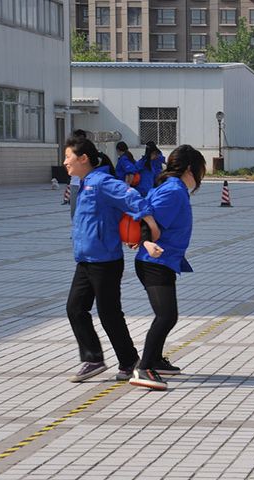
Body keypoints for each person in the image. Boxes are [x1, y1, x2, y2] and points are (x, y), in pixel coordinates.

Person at [63, 135, 161, 383]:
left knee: (109, 313)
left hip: (105, 261)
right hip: (86, 259)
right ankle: (93, 357)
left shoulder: (101, 182)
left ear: (83, 158)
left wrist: (148, 220)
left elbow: (131, 197)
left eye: (68, 157)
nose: (65, 162)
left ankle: (129, 362)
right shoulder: (84, 182)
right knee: (75, 308)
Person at [130, 145, 206, 391]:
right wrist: (146, 241)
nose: (202, 175)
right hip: (154, 262)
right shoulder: (173, 190)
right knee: (166, 315)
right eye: (200, 169)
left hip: (162, 261)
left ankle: (157, 360)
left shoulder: (176, 189)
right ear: (189, 168)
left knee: (166, 314)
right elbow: (149, 217)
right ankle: (144, 367)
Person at [68, 129, 87, 219]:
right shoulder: (70, 151)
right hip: (75, 184)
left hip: (87, 184)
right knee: (74, 211)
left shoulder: (88, 151)